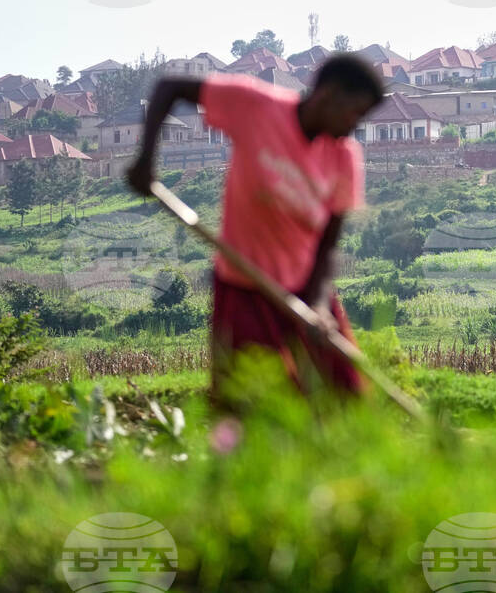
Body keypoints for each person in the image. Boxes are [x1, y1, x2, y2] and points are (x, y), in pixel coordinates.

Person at [127, 55, 384, 401]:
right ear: (329, 94)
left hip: (306, 290)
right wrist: (146, 160)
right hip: (243, 287)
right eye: (355, 112)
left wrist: (320, 305)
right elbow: (169, 87)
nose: (355, 125)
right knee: (250, 401)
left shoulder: (344, 155)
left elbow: (328, 244)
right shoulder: (256, 106)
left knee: (346, 396)